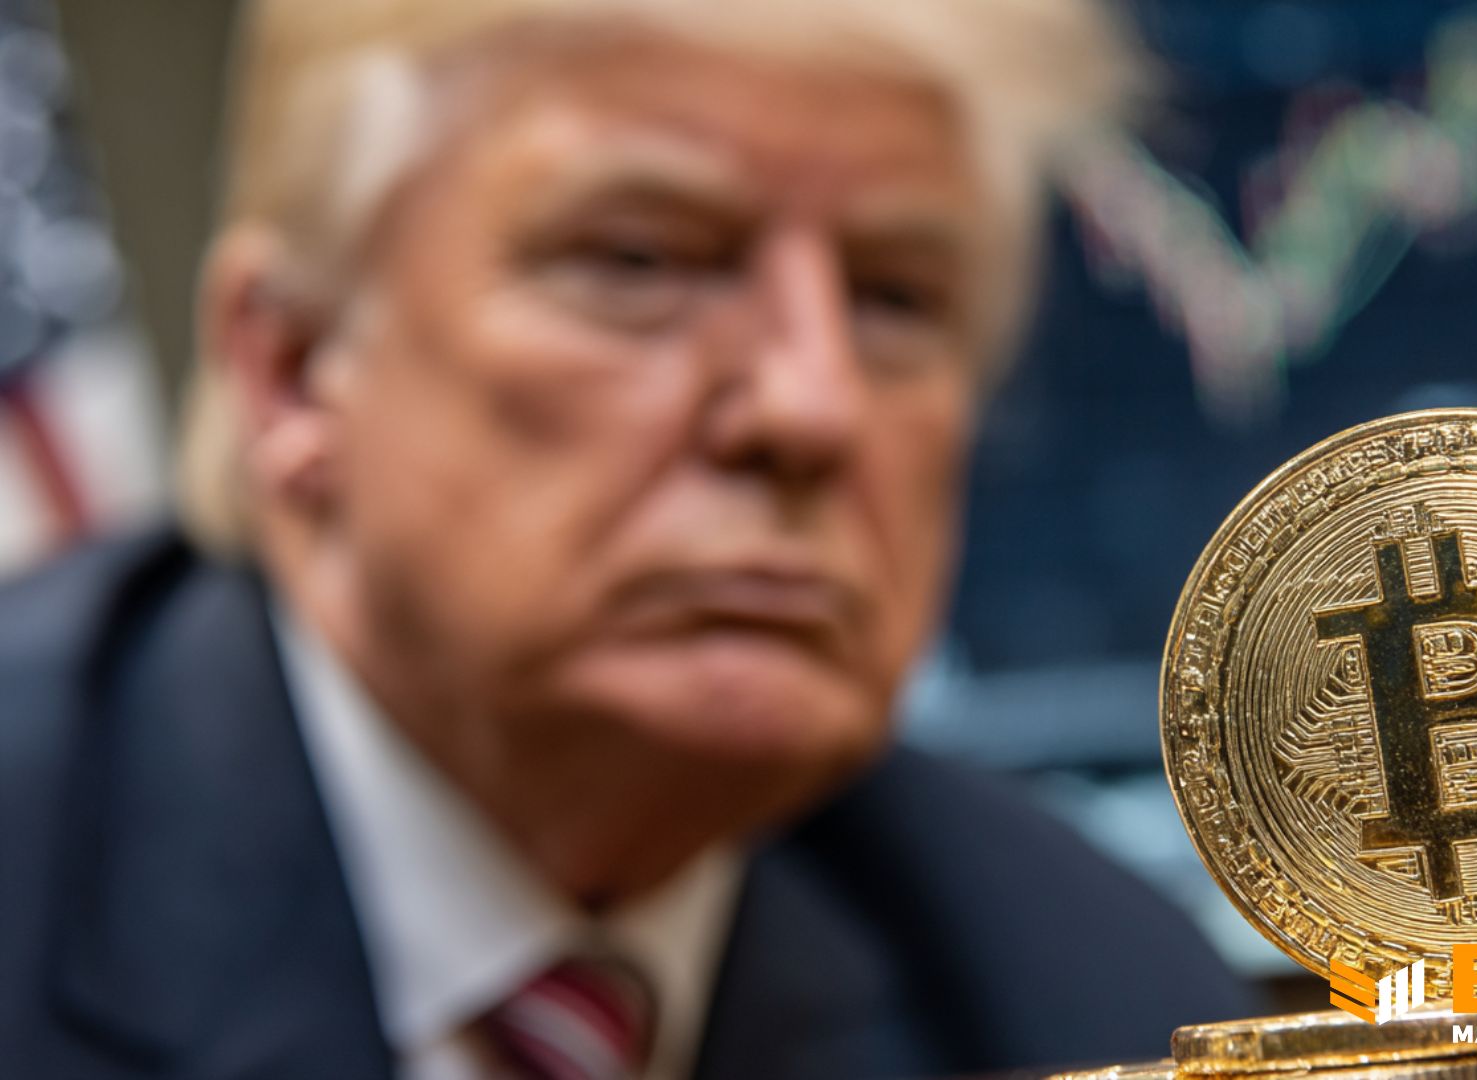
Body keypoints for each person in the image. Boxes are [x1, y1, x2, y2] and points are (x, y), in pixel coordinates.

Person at [0, 1, 1256, 1077]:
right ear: (291, 366)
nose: (811, 405)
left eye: (893, 297)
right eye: (640, 260)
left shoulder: (1085, 994)